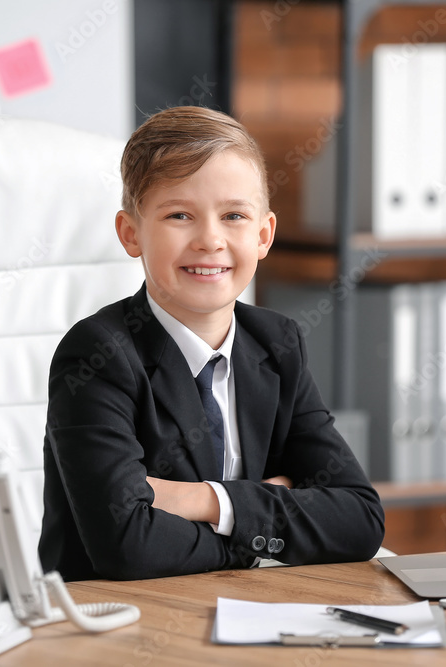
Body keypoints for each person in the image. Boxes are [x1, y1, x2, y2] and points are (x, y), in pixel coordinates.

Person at [39, 106, 385, 581]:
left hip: (244, 617)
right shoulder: (98, 355)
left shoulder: (278, 343)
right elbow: (128, 546)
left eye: (234, 216)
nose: (210, 239)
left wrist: (200, 500)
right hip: (117, 624)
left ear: (263, 236)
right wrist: (262, 525)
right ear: (131, 233)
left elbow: (360, 521)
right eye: (179, 214)